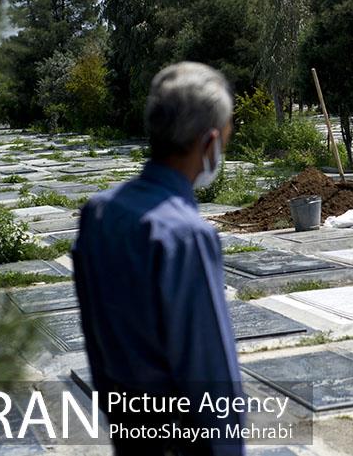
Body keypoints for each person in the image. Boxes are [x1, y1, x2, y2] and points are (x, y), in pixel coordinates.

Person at [72, 62, 244, 456]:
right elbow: (209, 373)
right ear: (210, 142)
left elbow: (95, 337)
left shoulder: (99, 212)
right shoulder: (184, 235)